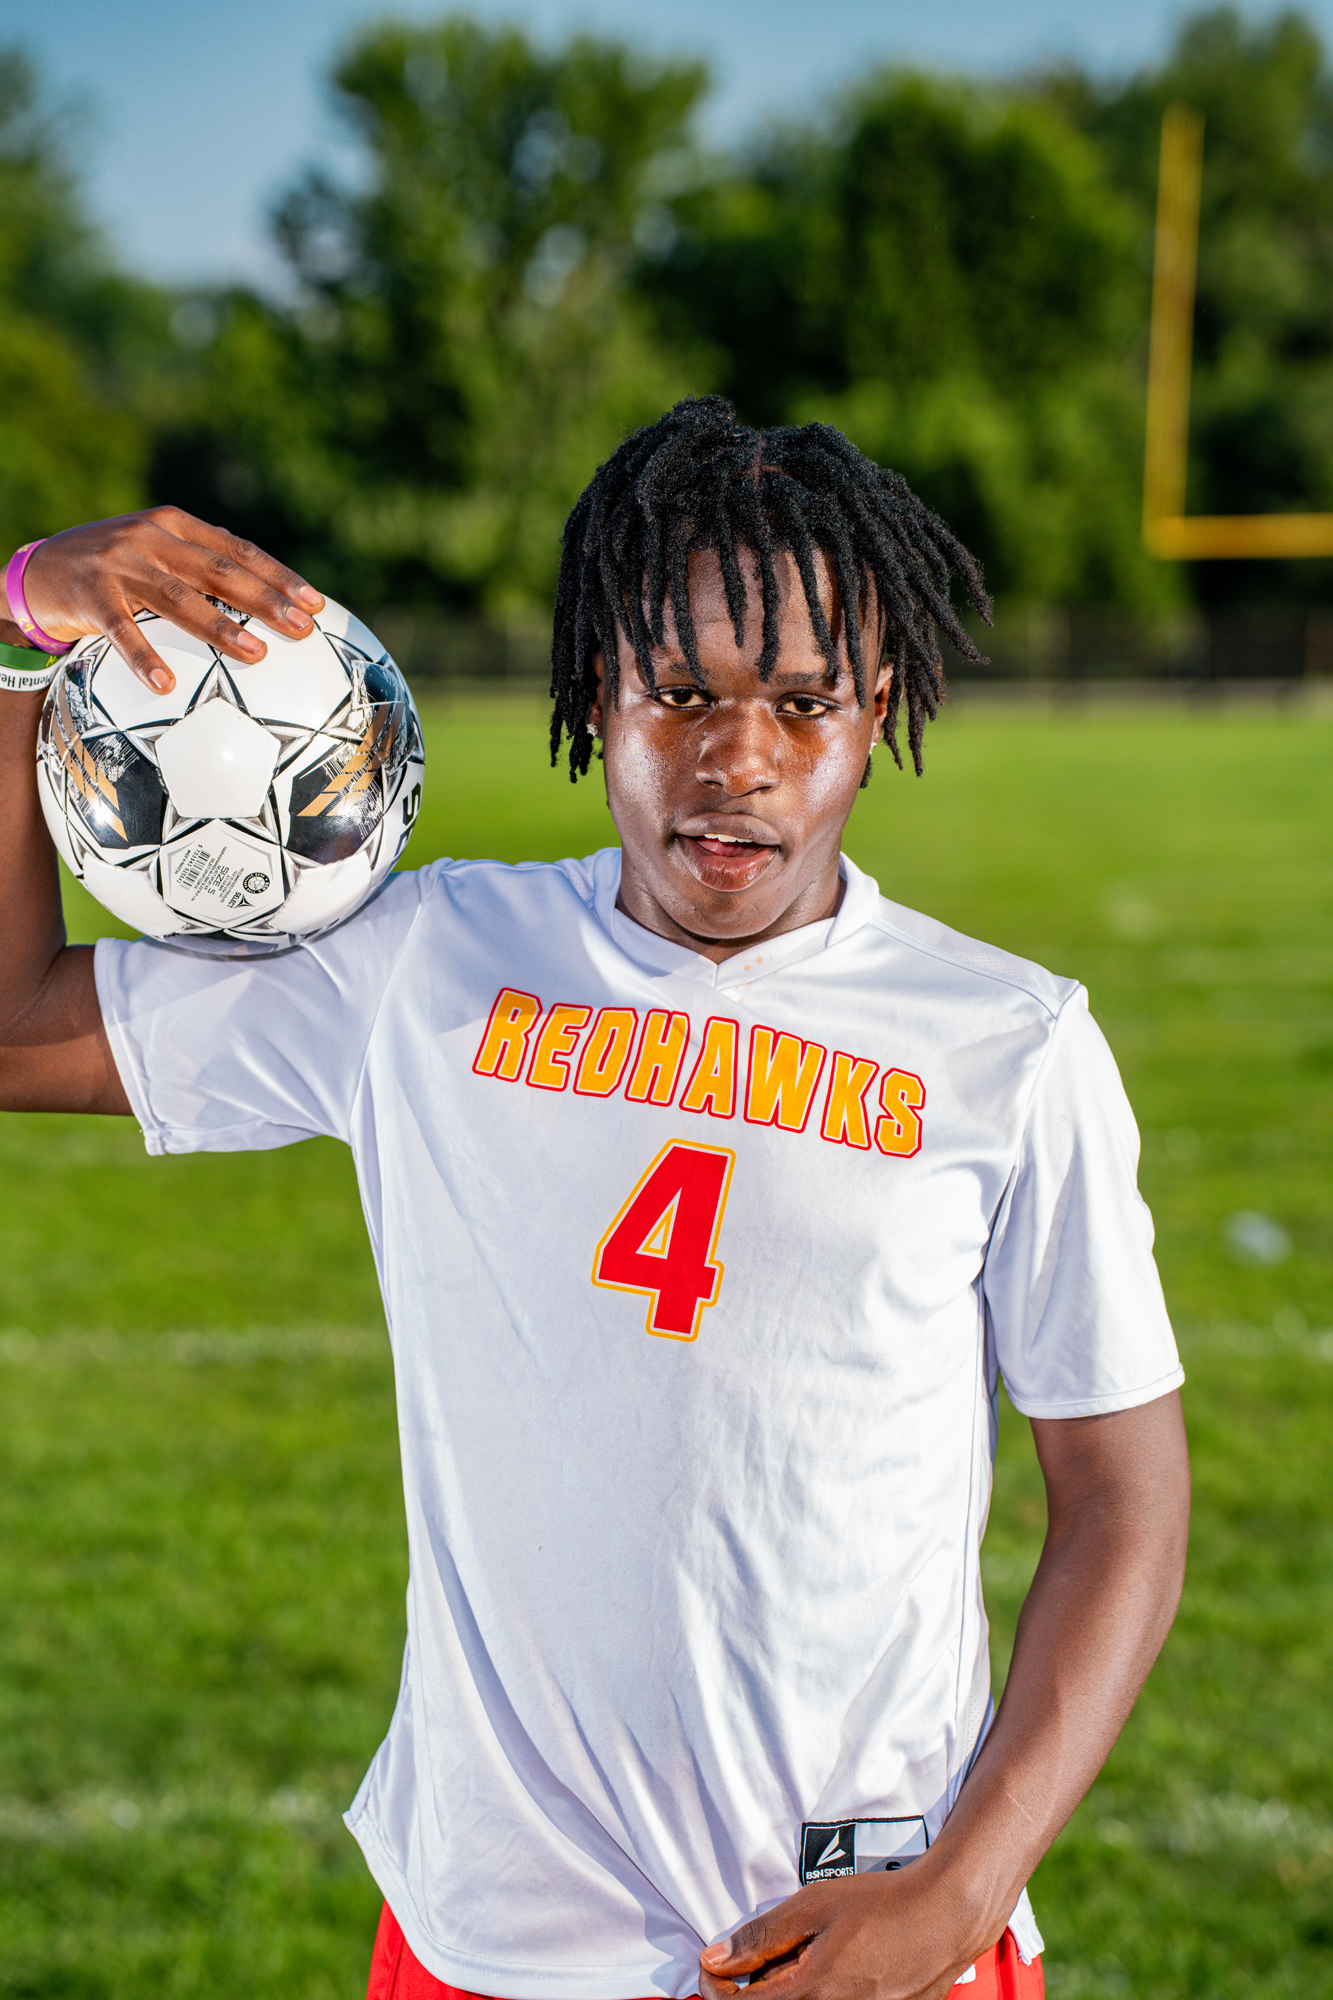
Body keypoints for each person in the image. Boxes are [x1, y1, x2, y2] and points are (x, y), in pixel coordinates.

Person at [0, 397, 1189, 2000]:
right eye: (677, 692)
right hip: (493, 1935)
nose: (736, 760)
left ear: (876, 706)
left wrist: (962, 1894)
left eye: (802, 702)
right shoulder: (426, 965)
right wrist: (18, 644)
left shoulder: (1008, 1044)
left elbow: (1121, 1499)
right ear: (592, 693)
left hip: (865, 1927)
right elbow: (15, 1025)